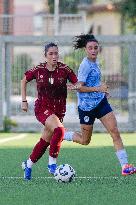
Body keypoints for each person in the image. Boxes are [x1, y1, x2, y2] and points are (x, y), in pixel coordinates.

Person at [64, 34, 136, 176]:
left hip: (101, 103)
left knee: (114, 131)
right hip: (86, 108)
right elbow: (80, 87)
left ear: (98, 49)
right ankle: (63, 134)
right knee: (85, 141)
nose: (93, 50)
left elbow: (95, 82)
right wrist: (98, 89)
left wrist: (103, 92)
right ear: (85, 49)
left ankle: (125, 166)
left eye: (95, 48)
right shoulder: (85, 65)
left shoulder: (96, 63)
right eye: (90, 48)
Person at [21, 42, 78, 180]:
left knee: (45, 141)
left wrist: (76, 86)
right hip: (42, 108)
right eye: (51, 53)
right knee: (59, 130)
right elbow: (23, 81)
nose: (54, 56)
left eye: (56, 53)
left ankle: (28, 164)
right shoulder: (38, 69)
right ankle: (52, 163)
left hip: (59, 110)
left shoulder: (65, 69)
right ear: (45, 55)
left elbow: (78, 83)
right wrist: (24, 101)